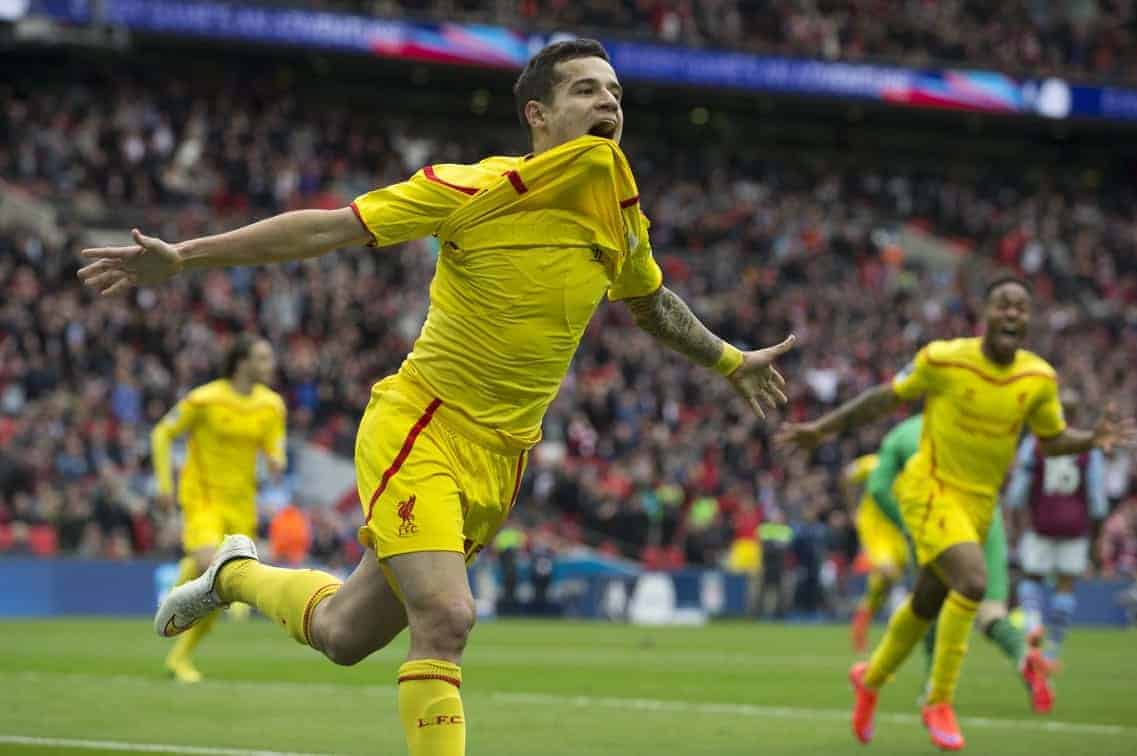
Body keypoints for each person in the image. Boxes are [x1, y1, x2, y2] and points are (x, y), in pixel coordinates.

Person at [79, 38, 794, 756]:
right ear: (538, 116)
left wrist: (729, 360)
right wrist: (188, 255)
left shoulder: (618, 220)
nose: (609, 102)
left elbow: (651, 303)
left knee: (344, 634)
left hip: (503, 458)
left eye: (615, 93)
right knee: (448, 619)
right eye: (587, 91)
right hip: (422, 425)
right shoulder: (473, 188)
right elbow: (329, 228)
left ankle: (234, 575)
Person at [775, 276, 1135, 751]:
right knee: (972, 581)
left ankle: (872, 677)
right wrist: (823, 429)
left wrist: (1089, 440)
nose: (1012, 313)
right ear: (984, 313)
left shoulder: (1039, 380)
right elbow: (886, 397)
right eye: (1003, 304)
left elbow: (1050, 439)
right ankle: (937, 699)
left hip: (979, 505)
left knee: (927, 599)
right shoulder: (943, 359)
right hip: (930, 488)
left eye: (1021, 308)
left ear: (1028, 320)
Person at [868, 416, 1054, 713]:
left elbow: (877, 488)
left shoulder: (901, 434)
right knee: (991, 611)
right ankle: (1022, 656)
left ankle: (932, 688)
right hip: (985, 517)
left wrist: (906, 524)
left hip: (938, 521)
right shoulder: (968, 419)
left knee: (930, 604)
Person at [150, 335, 286, 683]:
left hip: (243, 506)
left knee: (219, 585)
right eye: (263, 358)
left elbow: (275, 449)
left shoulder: (272, 406)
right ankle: (178, 608)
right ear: (242, 362)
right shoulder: (205, 398)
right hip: (203, 498)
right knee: (211, 566)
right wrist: (165, 486)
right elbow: (162, 434)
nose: (270, 365)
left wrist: (275, 461)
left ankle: (179, 656)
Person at [1006, 388, 1108, 669]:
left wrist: (1016, 526)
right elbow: (1098, 500)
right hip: (1075, 527)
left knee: (1031, 577)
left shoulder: (1035, 443)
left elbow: (1017, 492)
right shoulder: (1089, 446)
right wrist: (1096, 538)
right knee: (1065, 585)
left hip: (1041, 523)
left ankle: (1034, 624)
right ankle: (1053, 651)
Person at [843, 451, 908, 653]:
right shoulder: (872, 464)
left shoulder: (915, 470)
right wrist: (852, 509)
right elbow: (847, 475)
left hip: (898, 533)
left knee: (881, 585)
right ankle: (900, 625)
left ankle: (861, 623)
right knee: (890, 574)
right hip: (875, 531)